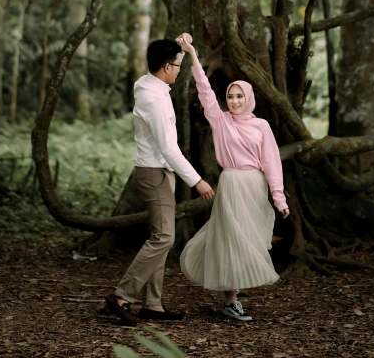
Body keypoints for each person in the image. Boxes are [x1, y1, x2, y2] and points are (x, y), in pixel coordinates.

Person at [176, 33, 289, 322]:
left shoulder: (261, 125)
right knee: (231, 238)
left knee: (249, 238)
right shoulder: (220, 119)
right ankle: (231, 300)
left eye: (240, 96)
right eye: (230, 96)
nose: (235, 101)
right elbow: (204, 91)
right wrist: (192, 54)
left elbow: (272, 162)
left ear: (248, 98)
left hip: (255, 186)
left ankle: (233, 297)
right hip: (231, 183)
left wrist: (279, 197)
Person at [104, 39, 214, 326]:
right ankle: (122, 295)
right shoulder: (153, 98)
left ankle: (152, 303)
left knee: (159, 237)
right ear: (166, 67)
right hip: (155, 173)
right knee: (165, 237)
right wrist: (197, 180)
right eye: (178, 66)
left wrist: (183, 45)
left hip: (161, 172)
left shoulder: (150, 85)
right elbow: (168, 148)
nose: (180, 71)